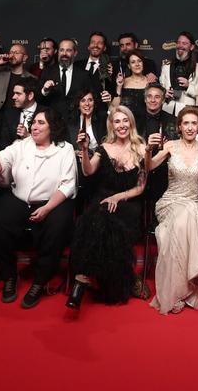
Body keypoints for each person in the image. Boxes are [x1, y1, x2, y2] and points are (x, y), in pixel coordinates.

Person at [0, 107, 77, 309]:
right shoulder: (20, 145)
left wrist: (47, 208)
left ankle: (39, 281)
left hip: (52, 201)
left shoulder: (65, 148)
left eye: (41, 123)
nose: (34, 126)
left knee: (58, 227)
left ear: (53, 127)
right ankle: (9, 276)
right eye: (33, 122)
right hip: (19, 198)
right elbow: (0, 165)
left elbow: (68, 184)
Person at [67, 105, 149, 309]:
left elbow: (140, 188)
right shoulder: (103, 148)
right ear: (111, 125)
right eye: (117, 121)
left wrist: (118, 197)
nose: (121, 125)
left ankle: (124, 279)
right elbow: (87, 171)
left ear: (131, 123)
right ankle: (82, 279)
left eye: (125, 120)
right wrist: (85, 150)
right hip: (103, 200)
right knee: (99, 218)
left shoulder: (141, 148)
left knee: (105, 223)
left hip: (128, 202)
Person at [146, 105, 198, 314]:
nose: (190, 127)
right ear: (179, 126)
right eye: (186, 123)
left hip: (194, 202)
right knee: (186, 215)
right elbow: (149, 167)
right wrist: (149, 150)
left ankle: (181, 290)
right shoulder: (171, 147)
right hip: (170, 202)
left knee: (189, 215)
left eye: (194, 123)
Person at [113, 52, 152, 125]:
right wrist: (119, 87)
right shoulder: (122, 82)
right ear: (129, 66)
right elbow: (115, 107)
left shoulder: (150, 82)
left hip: (145, 123)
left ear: (143, 63)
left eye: (139, 61)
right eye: (133, 62)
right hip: (127, 124)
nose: (137, 64)